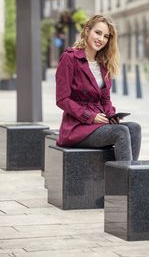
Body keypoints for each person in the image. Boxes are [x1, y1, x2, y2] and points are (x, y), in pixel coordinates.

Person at [56, 14, 141, 161]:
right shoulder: (70, 58)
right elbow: (62, 99)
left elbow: (105, 100)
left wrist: (111, 116)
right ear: (87, 31)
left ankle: (129, 178)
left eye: (106, 36)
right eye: (98, 33)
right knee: (121, 132)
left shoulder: (102, 63)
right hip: (77, 127)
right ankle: (125, 181)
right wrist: (91, 116)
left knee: (134, 128)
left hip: (99, 123)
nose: (101, 39)